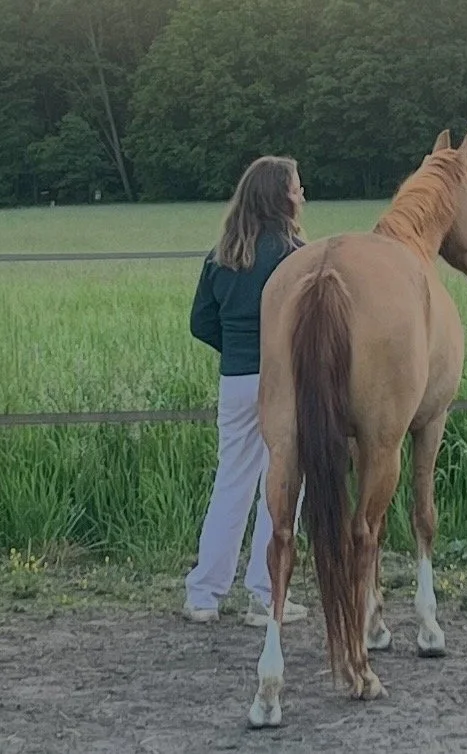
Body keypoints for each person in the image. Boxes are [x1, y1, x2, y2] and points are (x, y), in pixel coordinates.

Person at [183, 155, 309, 627]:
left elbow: (201, 323)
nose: (302, 194)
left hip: (234, 381)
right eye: (297, 187)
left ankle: (204, 594)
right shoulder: (295, 254)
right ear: (281, 197)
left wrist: (237, 350)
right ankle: (265, 594)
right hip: (284, 383)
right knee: (281, 490)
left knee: (230, 484)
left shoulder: (221, 255)